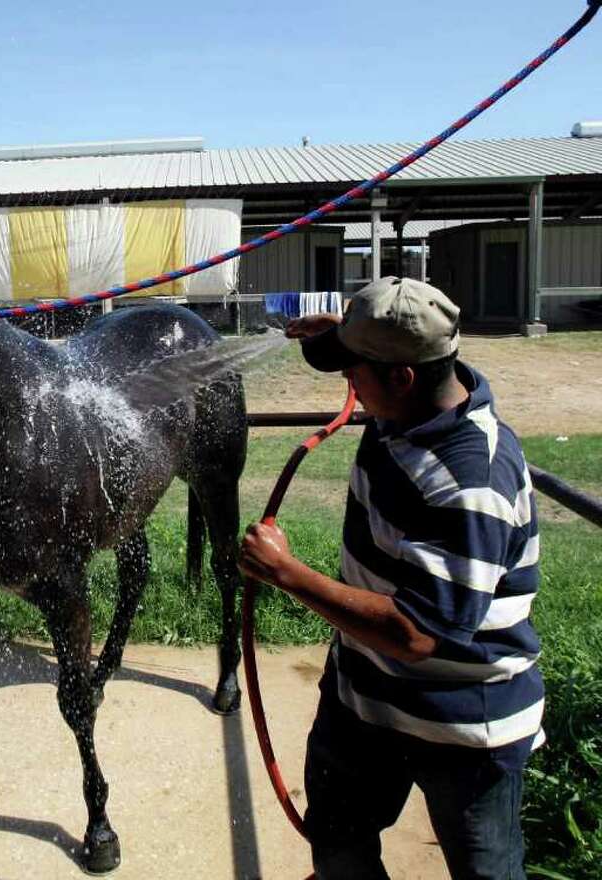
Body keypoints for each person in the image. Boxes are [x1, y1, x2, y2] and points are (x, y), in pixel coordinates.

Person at [239, 276, 543, 880]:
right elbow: (379, 361)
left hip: (462, 724)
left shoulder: (470, 482)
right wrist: (340, 339)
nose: (348, 383)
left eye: (357, 371)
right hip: (365, 696)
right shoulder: (418, 394)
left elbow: (415, 634)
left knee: (486, 870)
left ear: (400, 378)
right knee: (338, 844)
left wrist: (288, 574)